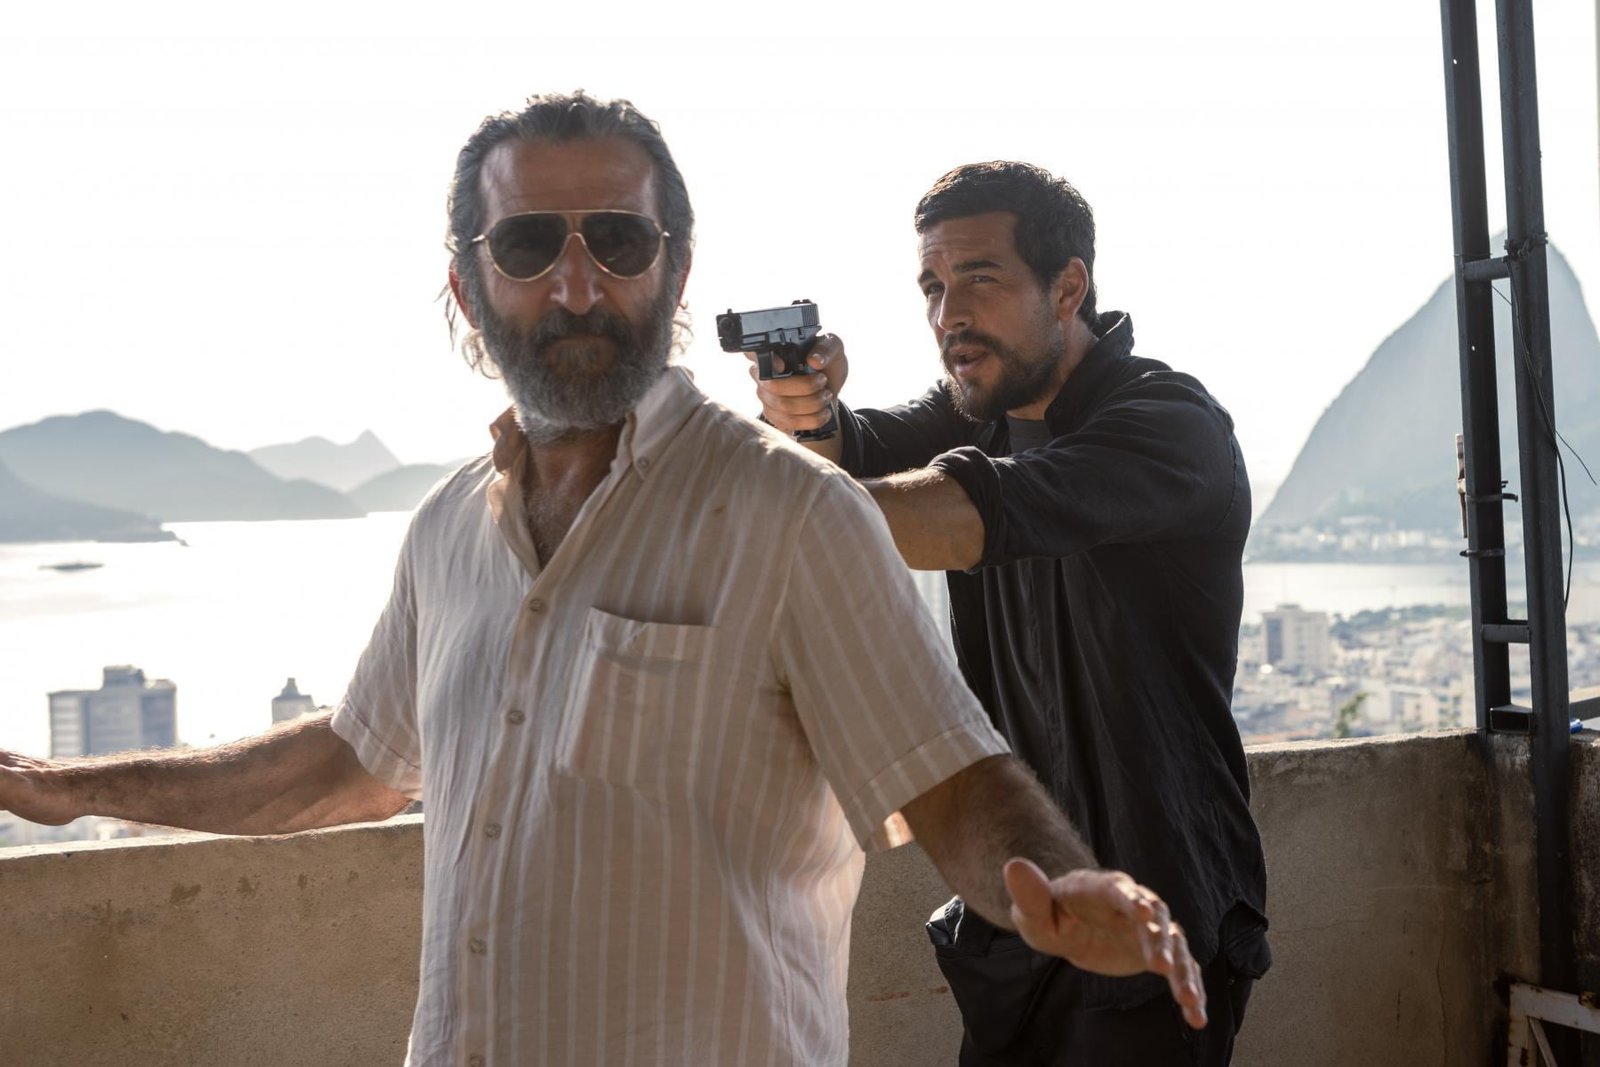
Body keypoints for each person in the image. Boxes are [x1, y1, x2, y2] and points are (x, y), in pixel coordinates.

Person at [0, 95, 1206, 1067]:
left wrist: (1062, 884)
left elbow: (950, 778)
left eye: (618, 242)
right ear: (467, 285)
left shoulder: (795, 514)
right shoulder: (446, 531)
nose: (576, 284)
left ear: (673, 273)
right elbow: (348, 762)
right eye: (529, 244)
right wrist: (68, 788)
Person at [751, 160, 1270, 1066]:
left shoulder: (1171, 424)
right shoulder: (972, 414)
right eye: (932, 285)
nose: (948, 313)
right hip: (1015, 917)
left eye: (979, 279)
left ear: (1067, 286)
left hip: (1156, 913)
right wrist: (812, 413)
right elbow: (846, 463)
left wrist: (729, 518)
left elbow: (969, 511)